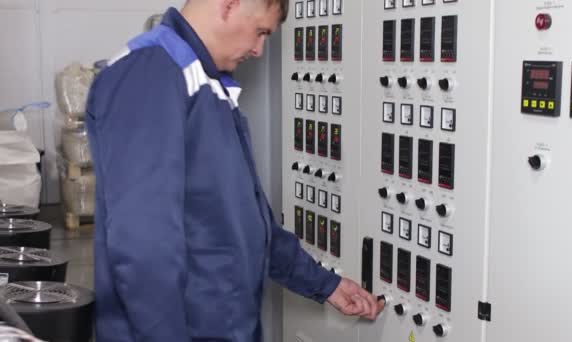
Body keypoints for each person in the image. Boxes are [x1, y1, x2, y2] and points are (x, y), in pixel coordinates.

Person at [85, 0, 384, 341]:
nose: (258, 50)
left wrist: (324, 284)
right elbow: (143, 243)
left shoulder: (208, 84)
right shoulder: (150, 73)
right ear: (229, 5)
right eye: (260, 32)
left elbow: (243, 221)